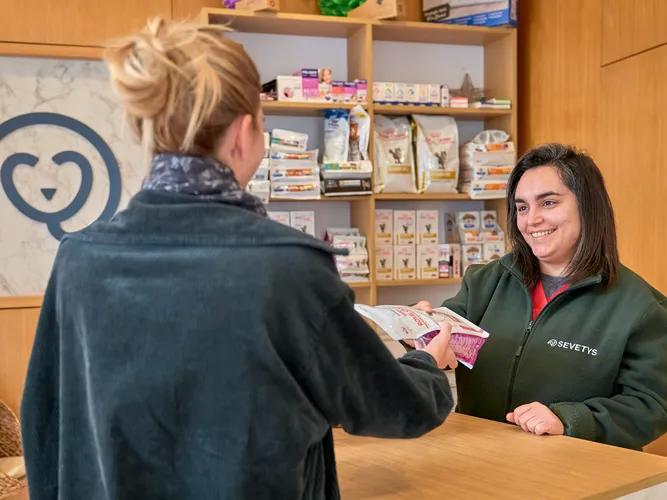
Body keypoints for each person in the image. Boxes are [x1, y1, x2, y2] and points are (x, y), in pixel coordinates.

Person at [20, 18, 458, 500]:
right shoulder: (286, 267)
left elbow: (45, 427)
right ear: (246, 129)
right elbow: (384, 405)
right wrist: (429, 365)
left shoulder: (81, 259)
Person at [416, 143, 667, 450]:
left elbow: (652, 406)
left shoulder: (639, 307)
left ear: (587, 206)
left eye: (548, 203)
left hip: (578, 477)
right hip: (479, 461)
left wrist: (569, 419)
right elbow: (449, 346)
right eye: (522, 207)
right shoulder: (485, 282)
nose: (531, 220)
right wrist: (421, 332)